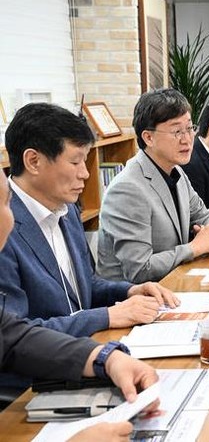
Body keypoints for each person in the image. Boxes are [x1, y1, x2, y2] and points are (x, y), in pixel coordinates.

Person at [0, 167, 159, 441]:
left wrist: (105, 358)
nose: (11, 216)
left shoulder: (67, 211)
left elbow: (14, 337)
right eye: (6, 202)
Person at [0, 102, 179, 338]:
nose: (85, 173)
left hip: (87, 346)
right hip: (50, 360)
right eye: (75, 162)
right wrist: (106, 316)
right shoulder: (5, 227)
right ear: (33, 161)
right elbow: (13, 335)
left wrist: (129, 291)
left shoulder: (68, 210)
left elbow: (84, 286)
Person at [98, 89, 209, 283]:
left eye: (189, 128)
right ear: (148, 138)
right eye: (177, 131)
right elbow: (139, 270)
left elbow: (204, 216)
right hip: (136, 296)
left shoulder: (177, 172)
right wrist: (195, 247)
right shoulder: (127, 188)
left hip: (174, 283)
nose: (187, 139)